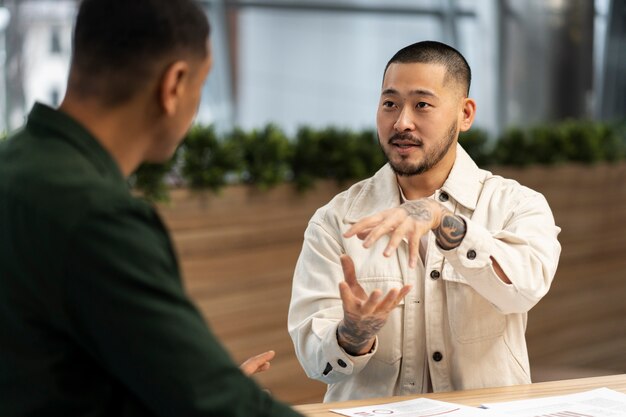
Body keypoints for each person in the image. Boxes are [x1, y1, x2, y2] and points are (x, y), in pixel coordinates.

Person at [0, 1, 303, 416]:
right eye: (203, 83)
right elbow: (211, 401)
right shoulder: (97, 216)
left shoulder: (14, 164)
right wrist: (215, 390)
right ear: (174, 84)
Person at [288, 40, 561, 403]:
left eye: (422, 105)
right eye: (390, 104)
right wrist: (351, 335)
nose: (402, 122)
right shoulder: (336, 221)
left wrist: (443, 222)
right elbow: (313, 358)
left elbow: (524, 290)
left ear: (465, 114)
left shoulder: (516, 205)